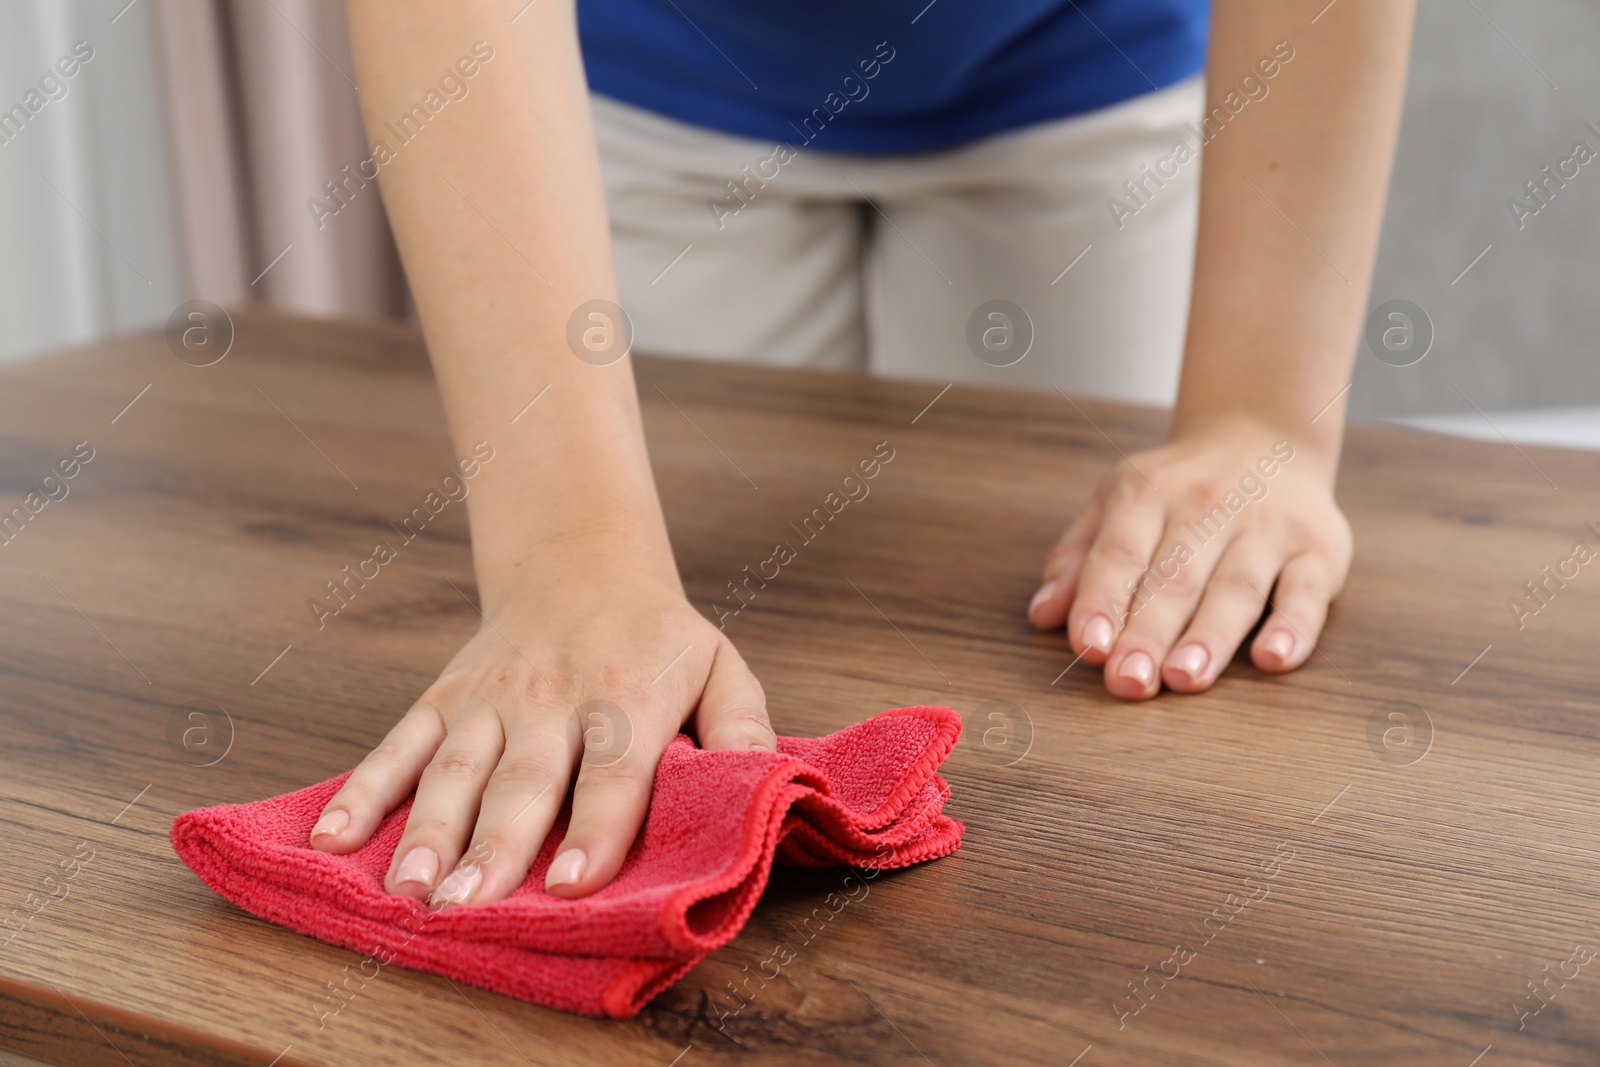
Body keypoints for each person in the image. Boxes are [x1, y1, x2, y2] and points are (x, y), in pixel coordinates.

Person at [308, 0, 1415, 908]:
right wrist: (565, 559)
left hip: (1087, 65)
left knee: (1140, 700)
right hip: (660, 78)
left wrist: (1262, 418)